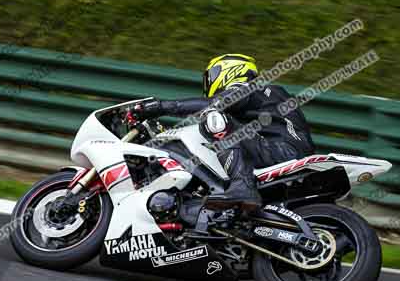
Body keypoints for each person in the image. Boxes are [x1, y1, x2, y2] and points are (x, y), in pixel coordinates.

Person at [132, 54, 315, 211]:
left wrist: (162, 107)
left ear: (229, 71)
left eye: (212, 75)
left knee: (213, 119)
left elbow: (216, 104)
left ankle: (242, 186)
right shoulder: (264, 95)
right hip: (282, 150)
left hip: (281, 151)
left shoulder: (248, 88)